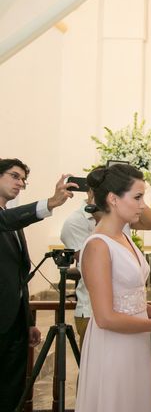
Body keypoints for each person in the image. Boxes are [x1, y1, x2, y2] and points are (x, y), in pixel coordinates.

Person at [75, 164, 151, 412]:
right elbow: (104, 317)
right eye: (137, 197)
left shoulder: (123, 237)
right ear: (113, 199)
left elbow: (127, 300)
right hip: (113, 344)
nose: (143, 205)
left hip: (134, 341)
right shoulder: (97, 246)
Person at [0, 158, 75, 411]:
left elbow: (17, 278)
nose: (20, 183)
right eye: (14, 176)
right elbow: (6, 220)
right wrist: (51, 203)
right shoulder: (7, 219)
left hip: (14, 322)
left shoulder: (12, 222)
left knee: (13, 389)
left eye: (23, 179)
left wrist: (28, 322)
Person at [60, 175, 151, 348]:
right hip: (94, 310)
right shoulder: (87, 233)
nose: (142, 204)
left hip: (132, 322)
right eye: (137, 197)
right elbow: (92, 267)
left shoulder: (123, 229)